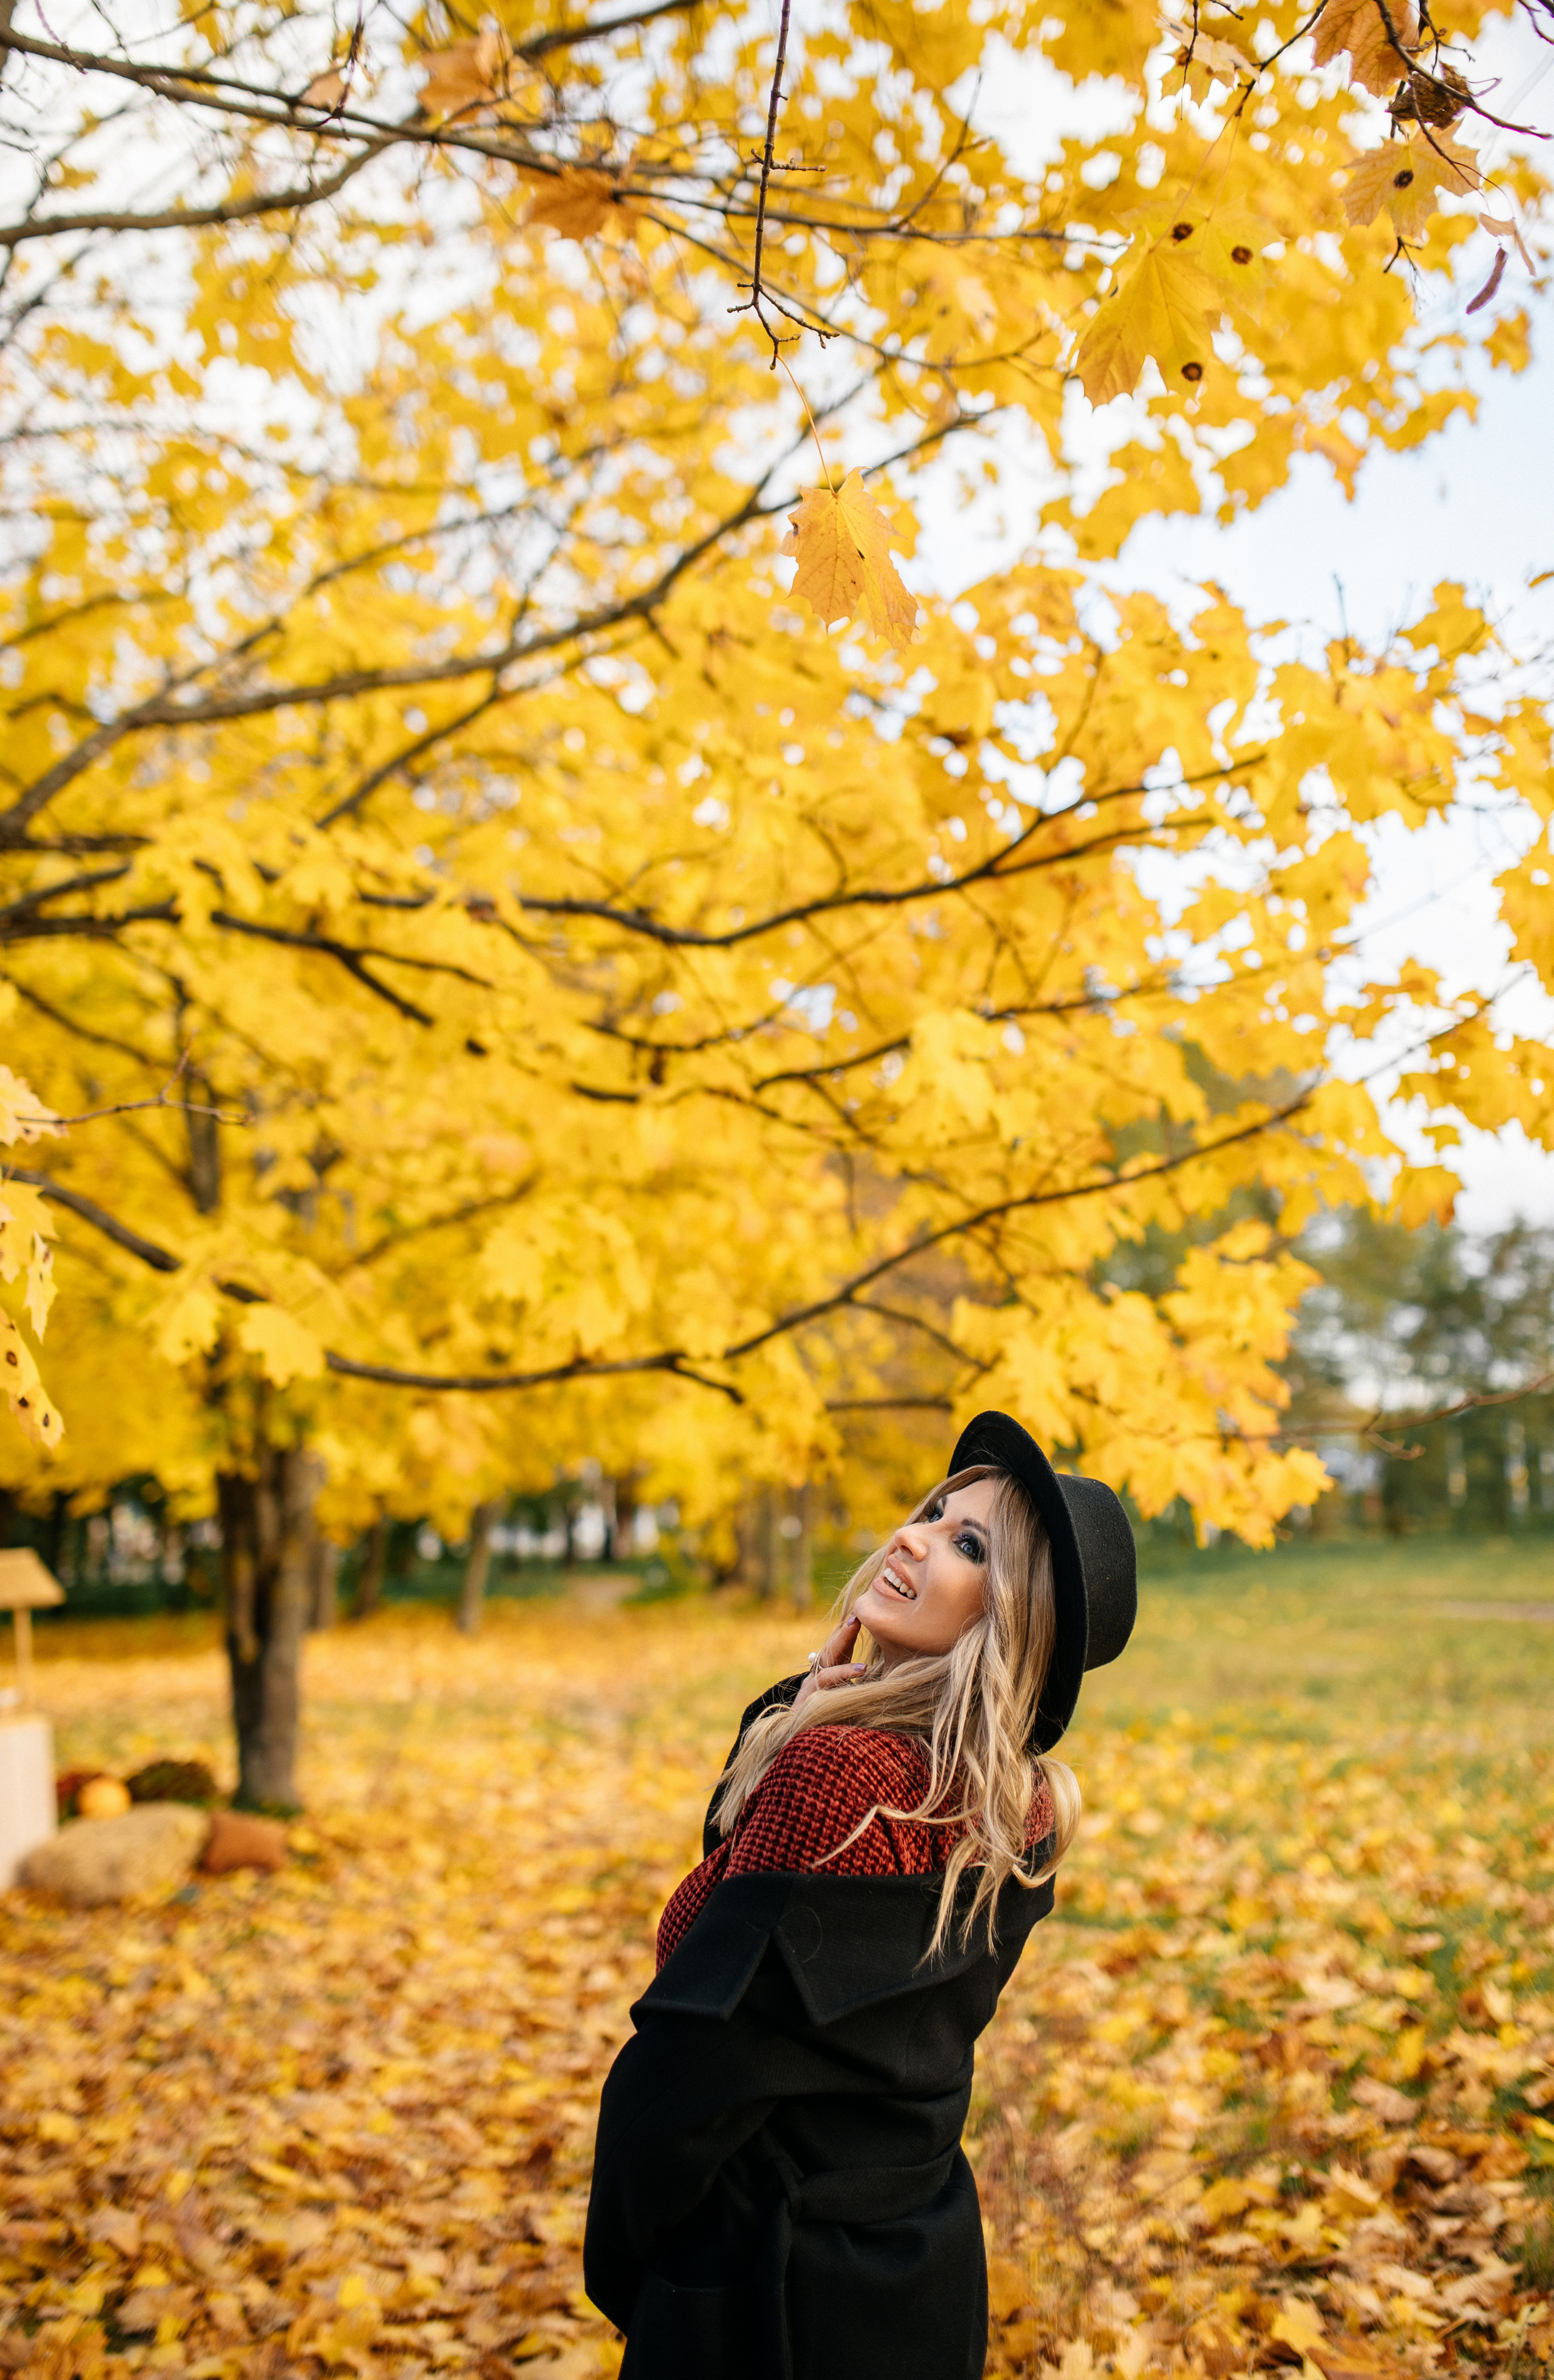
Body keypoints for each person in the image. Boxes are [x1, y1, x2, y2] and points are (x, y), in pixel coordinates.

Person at [583, 1410, 1138, 2380]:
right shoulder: (1030, 1805)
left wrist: (629, 2264)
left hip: (766, 2290)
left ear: (1011, 1614)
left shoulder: (839, 1775)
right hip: (920, 2265)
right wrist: (796, 1719)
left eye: (968, 1543)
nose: (912, 1534)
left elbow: (693, 2041)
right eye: (933, 1511)